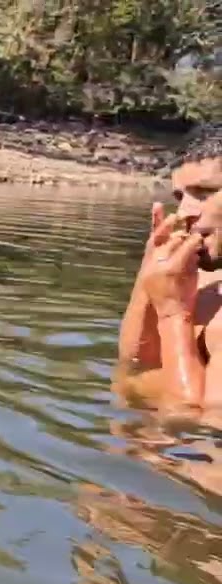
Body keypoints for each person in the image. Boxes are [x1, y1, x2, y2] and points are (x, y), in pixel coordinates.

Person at [115, 124, 222, 415]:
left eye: (205, 192)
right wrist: (150, 270)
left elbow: (195, 420)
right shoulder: (207, 277)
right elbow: (133, 365)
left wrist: (174, 313)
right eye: (180, 196)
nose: (184, 211)